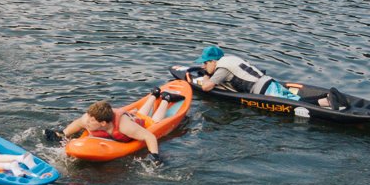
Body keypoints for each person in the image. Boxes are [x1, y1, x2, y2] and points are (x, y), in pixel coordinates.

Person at [189, 46, 346, 109]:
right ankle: (327, 96)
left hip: (264, 91)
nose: (203, 66)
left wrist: (205, 78)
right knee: (293, 98)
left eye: (205, 63)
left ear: (213, 61)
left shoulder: (222, 68)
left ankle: (327, 100)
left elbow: (206, 88)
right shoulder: (231, 59)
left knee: (295, 103)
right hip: (269, 82)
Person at [61, 99, 162, 156]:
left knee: (152, 120)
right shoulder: (87, 119)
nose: (87, 122)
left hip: (136, 122)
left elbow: (150, 137)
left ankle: (165, 99)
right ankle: (153, 96)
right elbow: (78, 123)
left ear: (103, 123)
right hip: (124, 118)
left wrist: (154, 156)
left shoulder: (125, 126)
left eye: (91, 121)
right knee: (139, 113)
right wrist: (63, 133)